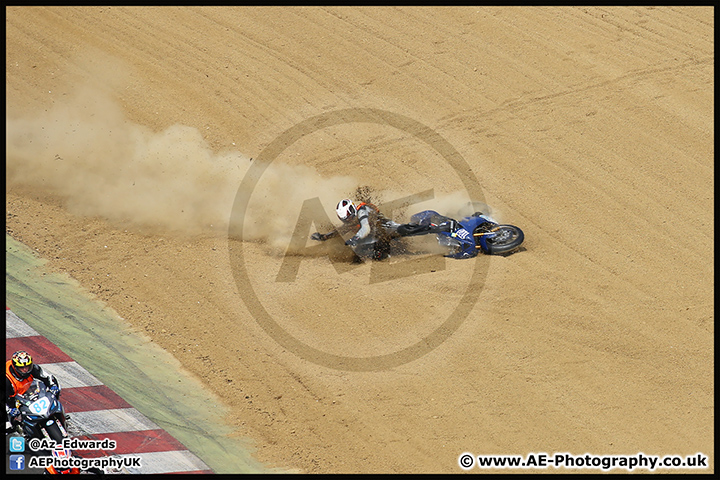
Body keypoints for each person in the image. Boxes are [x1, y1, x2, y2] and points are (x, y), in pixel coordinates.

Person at [310, 198, 402, 261]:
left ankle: (386, 252)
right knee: (356, 251)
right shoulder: (352, 221)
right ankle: (382, 252)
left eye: (349, 218)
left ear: (352, 210)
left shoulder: (363, 210)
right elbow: (341, 230)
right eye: (345, 220)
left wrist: (355, 238)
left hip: (391, 231)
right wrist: (324, 237)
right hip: (380, 237)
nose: (348, 221)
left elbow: (365, 228)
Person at [5, 350, 61, 430]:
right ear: (15, 367)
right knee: (8, 427)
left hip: (28, 393)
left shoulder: (33, 368)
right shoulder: (6, 380)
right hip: (11, 399)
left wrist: (53, 386)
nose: (25, 370)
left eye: (27, 366)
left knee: (55, 393)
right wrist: (9, 409)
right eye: (22, 368)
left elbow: (47, 377)